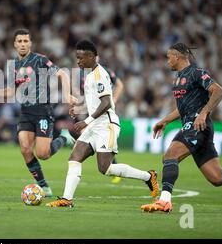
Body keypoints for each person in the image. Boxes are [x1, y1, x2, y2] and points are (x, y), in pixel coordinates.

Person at [141, 43, 222, 213]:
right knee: (218, 178)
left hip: (198, 125)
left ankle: (164, 200)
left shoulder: (197, 73)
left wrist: (203, 113)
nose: (167, 61)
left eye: (168, 57)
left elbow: (219, 91)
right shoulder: (178, 79)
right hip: (197, 127)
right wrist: (165, 120)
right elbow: (182, 108)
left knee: (170, 156)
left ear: (177, 57)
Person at [46, 39, 159, 208]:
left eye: (81, 58)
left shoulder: (99, 75)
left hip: (107, 125)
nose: (78, 61)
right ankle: (66, 199)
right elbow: (94, 102)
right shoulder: (90, 74)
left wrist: (86, 121)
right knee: (74, 158)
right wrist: (79, 108)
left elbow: (106, 103)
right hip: (94, 125)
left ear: (92, 56)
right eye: (77, 57)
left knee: (105, 168)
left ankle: (148, 177)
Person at [0, 28, 76, 197]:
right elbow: (11, 92)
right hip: (26, 112)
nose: (22, 44)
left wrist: (66, 95)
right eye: (19, 41)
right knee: (25, 149)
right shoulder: (13, 65)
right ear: (14, 44)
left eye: (25, 41)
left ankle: (64, 137)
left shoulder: (40, 60)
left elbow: (62, 74)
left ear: (30, 43)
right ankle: (44, 186)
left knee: (43, 154)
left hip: (43, 111)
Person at [60, 60, 125, 184]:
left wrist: (114, 98)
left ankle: (112, 165)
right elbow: (88, 96)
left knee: (86, 136)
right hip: (92, 110)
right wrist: (79, 107)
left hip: (104, 112)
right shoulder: (84, 76)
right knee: (82, 142)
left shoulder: (104, 72)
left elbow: (120, 85)